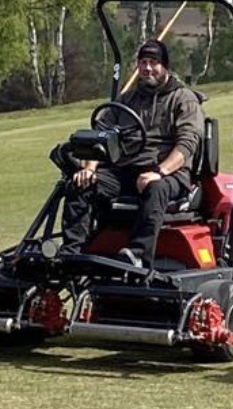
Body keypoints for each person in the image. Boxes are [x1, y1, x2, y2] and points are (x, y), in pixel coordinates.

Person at [60, 39, 206, 265]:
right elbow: (102, 134)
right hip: (126, 170)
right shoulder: (127, 99)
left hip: (168, 173)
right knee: (80, 183)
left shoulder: (183, 99)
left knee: (154, 187)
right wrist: (89, 169)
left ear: (164, 66)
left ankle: (138, 254)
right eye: (143, 62)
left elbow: (187, 144)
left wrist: (159, 171)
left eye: (153, 62)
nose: (147, 68)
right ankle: (72, 252)